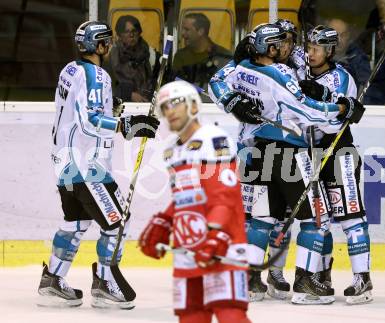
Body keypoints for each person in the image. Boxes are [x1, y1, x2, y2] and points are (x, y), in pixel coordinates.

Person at [209, 23, 366, 304]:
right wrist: (343, 108)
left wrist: (232, 101)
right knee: (317, 219)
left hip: (258, 150)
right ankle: (305, 284)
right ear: (269, 47)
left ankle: (250, 282)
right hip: (291, 152)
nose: (291, 48)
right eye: (282, 43)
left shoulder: (242, 66)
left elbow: (216, 83)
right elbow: (309, 111)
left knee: (261, 220)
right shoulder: (280, 72)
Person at [37, 21, 160, 309]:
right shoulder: (98, 75)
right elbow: (90, 120)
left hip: (64, 163)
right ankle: (105, 283)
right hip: (87, 166)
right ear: (100, 45)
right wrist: (125, 124)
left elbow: (77, 109)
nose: (110, 45)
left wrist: (110, 107)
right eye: (107, 40)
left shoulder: (70, 69)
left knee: (76, 222)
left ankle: (53, 278)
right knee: (117, 222)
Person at [138, 80, 251, 323]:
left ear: (193, 105)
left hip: (221, 242)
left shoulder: (214, 139)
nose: (170, 111)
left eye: (176, 104)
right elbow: (184, 196)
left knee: (230, 312)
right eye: (165, 106)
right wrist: (164, 221)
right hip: (188, 246)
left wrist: (215, 233)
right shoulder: (172, 151)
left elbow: (225, 196)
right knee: (191, 315)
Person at [301, 25, 373, 305]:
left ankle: (362, 279)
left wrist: (317, 94)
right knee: (319, 220)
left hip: (339, 152)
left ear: (330, 51)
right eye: (309, 47)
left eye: (317, 48)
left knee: (351, 217)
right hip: (311, 154)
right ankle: (322, 277)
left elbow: (337, 116)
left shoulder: (342, 77)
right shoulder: (300, 74)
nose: (311, 53)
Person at [172, 13, 233, 90]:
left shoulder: (223, 56)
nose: (182, 34)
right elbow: (175, 86)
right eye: (183, 29)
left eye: (187, 29)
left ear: (200, 31)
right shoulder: (181, 56)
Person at [109, 15, 159, 102]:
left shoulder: (151, 54)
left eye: (134, 31)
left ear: (139, 33)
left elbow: (156, 82)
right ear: (119, 35)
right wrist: (129, 94)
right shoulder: (111, 57)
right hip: (121, 107)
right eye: (126, 31)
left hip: (147, 104)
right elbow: (108, 87)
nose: (131, 35)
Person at [326, 18, 372, 92]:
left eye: (343, 35)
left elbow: (366, 87)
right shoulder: (315, 55)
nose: (338, 40)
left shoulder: (358, 58)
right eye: (333, 35)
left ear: (348, 36)